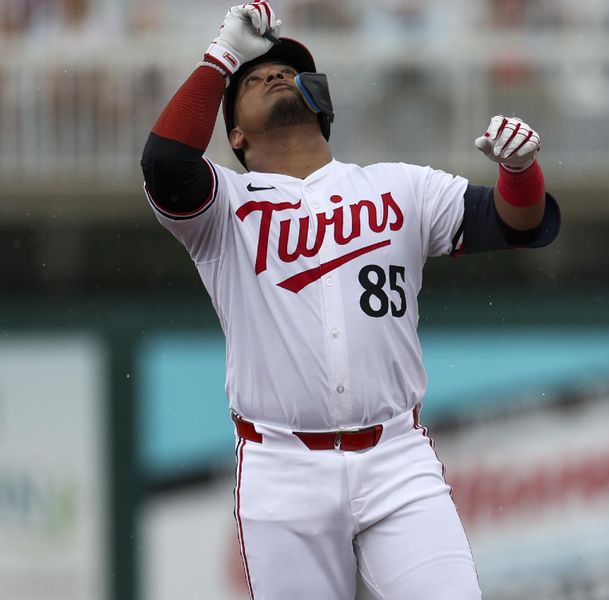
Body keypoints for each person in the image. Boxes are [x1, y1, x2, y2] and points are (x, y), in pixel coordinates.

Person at [140, 2, 560, 598]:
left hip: (397, 458)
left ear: (320, 101)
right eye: (254, 80)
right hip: (281, 467)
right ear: (233, 133)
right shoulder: (223, 207)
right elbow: (165, 163)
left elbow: (517, 222)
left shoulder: (400, 185)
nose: (273, 75)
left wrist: (521, 171)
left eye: (286, 72)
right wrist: (223, 56)